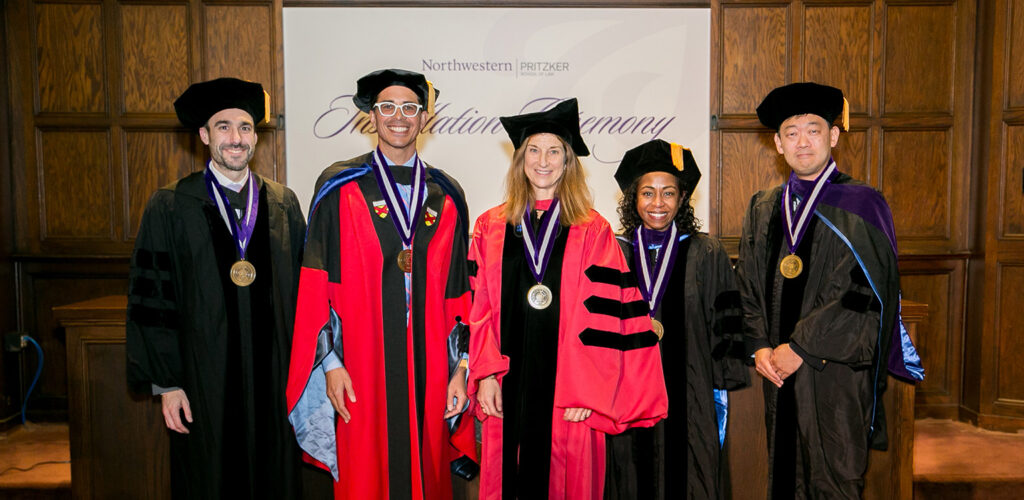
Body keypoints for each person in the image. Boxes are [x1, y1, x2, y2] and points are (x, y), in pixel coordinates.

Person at [286, 68, 476, 500]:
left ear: (424, 118)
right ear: (371, 116)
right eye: (387, 107)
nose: (399, 117)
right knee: (365, 474)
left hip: (428, 367)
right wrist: (329, 364)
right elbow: (317, 284)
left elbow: (459, 292)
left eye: (410, 107)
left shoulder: (445, 194)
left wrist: (461, 368)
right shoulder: (338, 188)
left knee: (427, 469)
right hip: (360, 364)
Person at [468, 98, 668, 500]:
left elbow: (610, 319)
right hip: (506, 388)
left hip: (569, 400)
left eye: (554, 150)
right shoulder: (490, 226)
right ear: (520, 159)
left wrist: (588, 394)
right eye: (534, 151)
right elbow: (478, 309)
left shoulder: (593, 229)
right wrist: (487, 374)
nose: (544, 161)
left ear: (568, 161)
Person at [736, 82, 923, 498]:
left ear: (833, 136)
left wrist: (799, 347)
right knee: (783, 471)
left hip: (834, 371)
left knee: (833, 476)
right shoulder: (762, 206)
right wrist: (761, 345)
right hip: (777, 371)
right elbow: (746, 283)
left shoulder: (863, 205)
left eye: (814, 129)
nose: (803, 141)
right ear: (777, 144)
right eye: (791, 132)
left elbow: (864, 295)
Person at [126, 77, 309, 498]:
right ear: (204, 135)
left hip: (274, 378)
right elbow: (153, 300)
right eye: (223, 127)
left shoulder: (283, 204)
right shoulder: (171, 205)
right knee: (208, 476)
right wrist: (167, 384)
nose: (236, 138)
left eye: (245, 127)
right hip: (202, 381)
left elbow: (305, 298)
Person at [604, 139, 749, 499]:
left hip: (690, 387)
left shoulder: (706, 251)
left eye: (668, 193)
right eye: (647, 193)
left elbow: (726, 321)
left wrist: (722, 379)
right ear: (633, 199)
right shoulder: (614, 252)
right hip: (626, 390)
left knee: (690, 472)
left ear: (682, 199)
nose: (658, 203)